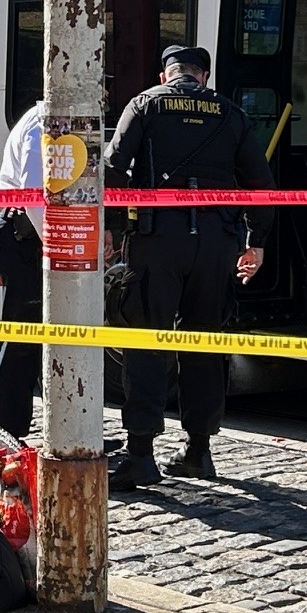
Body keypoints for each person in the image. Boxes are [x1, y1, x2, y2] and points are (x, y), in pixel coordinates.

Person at [102, 44, 273, 489]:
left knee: (147, 340)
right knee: (204, 342)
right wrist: (255, 243)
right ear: (203, 76)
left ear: (167, 75)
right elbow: (260, 183)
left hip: (158, 242)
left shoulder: (145, 103)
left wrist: (113, 228)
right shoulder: (230, 112)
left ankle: (140, 454)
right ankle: (199, 450)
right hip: (218, 244)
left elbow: (114, 170)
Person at [0, 98, 45, 439]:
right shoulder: (42, 123)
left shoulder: (55, 121)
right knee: (21, 339)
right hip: (22, 238)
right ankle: (6, 432)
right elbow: (33, 193)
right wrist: (58, 246)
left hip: (29, 237)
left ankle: (64, 429)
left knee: (42, 340)